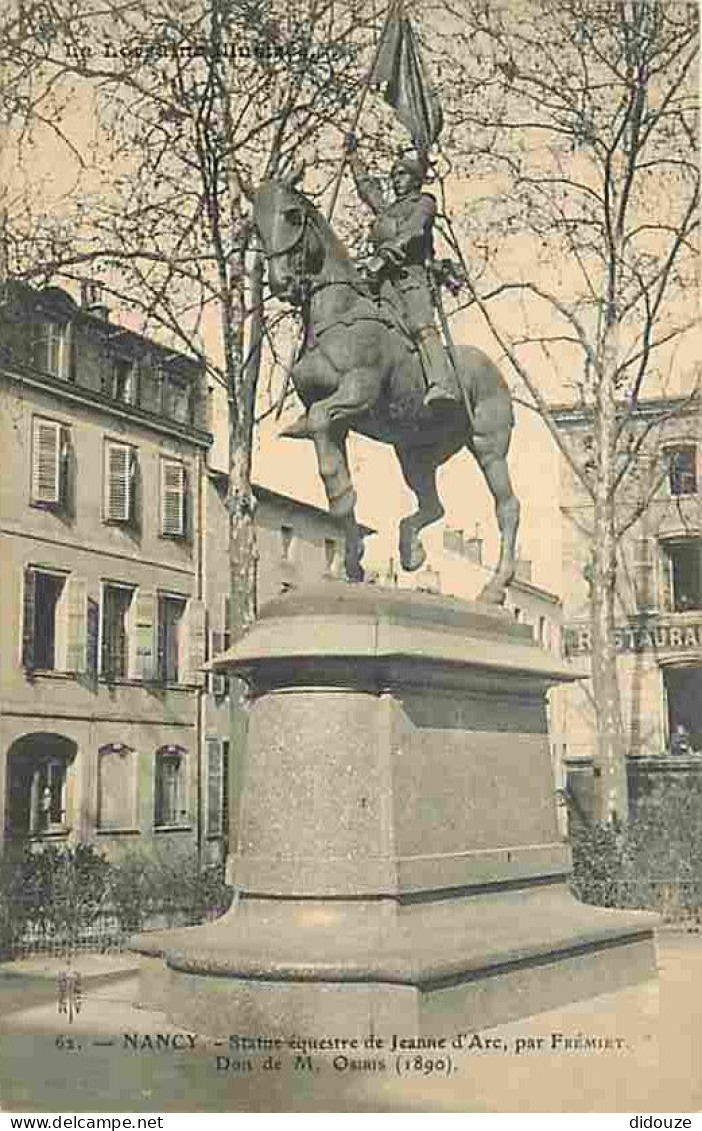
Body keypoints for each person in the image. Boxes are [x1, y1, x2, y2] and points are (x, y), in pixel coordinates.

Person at [345, 134, 461, 412]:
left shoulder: (424, 203)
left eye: (402, 174)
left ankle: (440, 382)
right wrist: (353, 158)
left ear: (415, 178)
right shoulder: (388, 209)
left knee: (421, 326)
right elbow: (368, 190)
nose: (396, 179)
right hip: (382, 283)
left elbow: (414, 231)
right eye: (394, 175)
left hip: (412, 279)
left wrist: (385, 256)